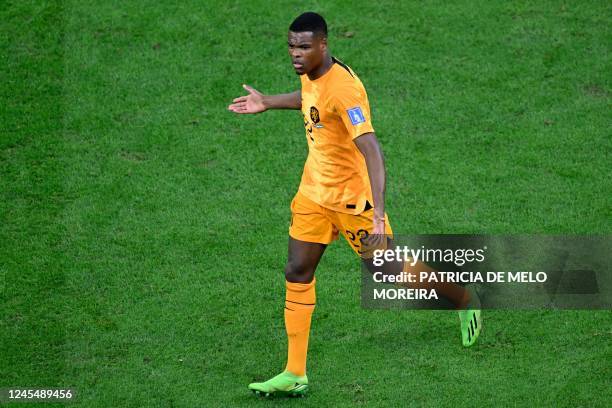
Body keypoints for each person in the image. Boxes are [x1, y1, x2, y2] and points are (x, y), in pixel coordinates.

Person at [227, 12, 481, 398]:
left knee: (386, 270)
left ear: (323, 45)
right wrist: (268, 102)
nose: (296, 54)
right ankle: (295, 372)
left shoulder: (346, 89)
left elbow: (372, 149)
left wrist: (378, 215)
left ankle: (463, 297)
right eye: (292, 46)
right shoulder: (312, 73)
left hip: (352, 202)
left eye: (304, 47)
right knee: (297, 269)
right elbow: (312, 101)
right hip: (314, 193)